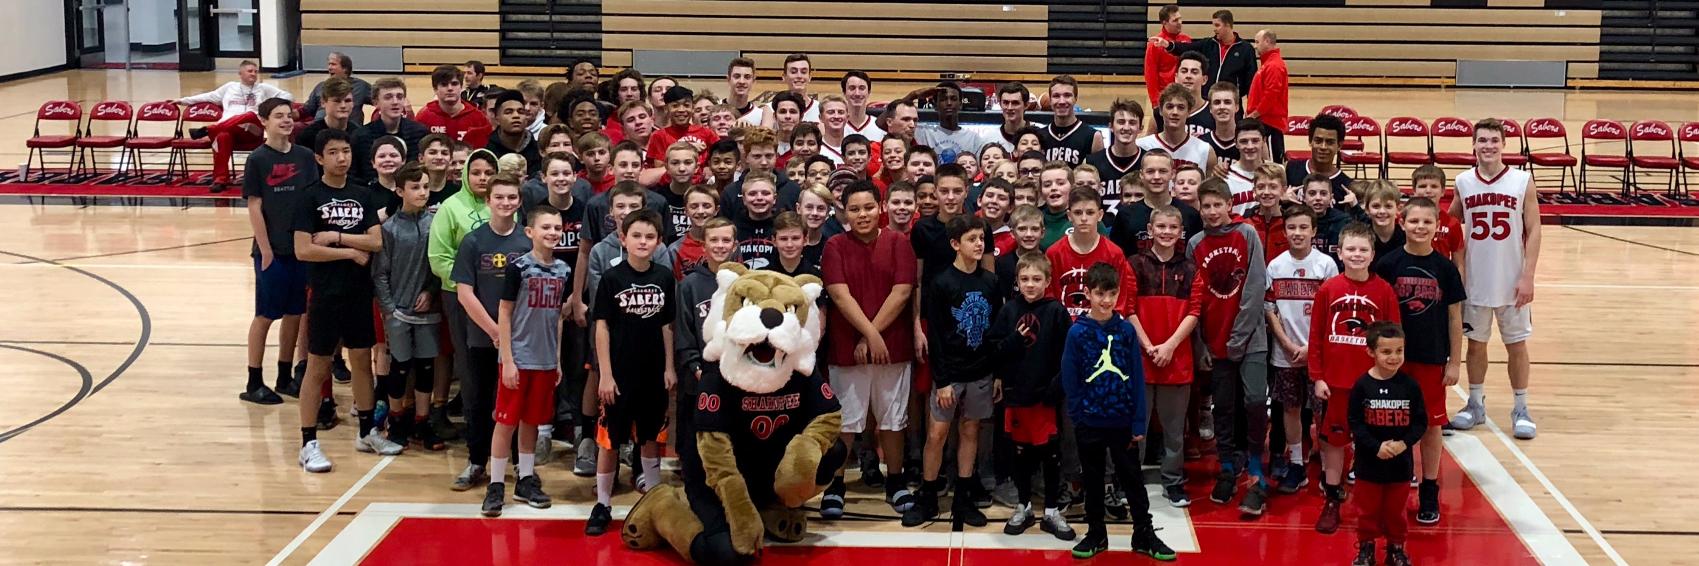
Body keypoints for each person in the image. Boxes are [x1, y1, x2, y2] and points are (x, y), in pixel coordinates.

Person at [292, 129, 397, 473]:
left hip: (357, 293)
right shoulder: (308, 197)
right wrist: (350, 252)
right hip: (324, 294)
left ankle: (367, 433)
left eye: (346, 151)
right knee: (318, 366)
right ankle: (308, 443)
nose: (342, 157)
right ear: (320, 158)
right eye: (334, 152)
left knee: (362, 362)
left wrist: (338, 238)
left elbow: (376, 242)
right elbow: (304, 249)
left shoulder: (362, 194)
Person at [1060, 263, 1176, 561]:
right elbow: (1070, 377)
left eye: (1111, 293)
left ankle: (1143, 534)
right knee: (1094, 479)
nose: (1106, 300)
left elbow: (1137, 377)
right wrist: (1078, 415)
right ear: (1087, 293)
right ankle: (1096, 533)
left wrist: (1138, 420)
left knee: (1132, 479)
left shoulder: (1125, 330)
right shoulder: (1077, 333)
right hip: (1089, 420)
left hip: (1122, 420)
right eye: (1099, 294)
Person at [820, 180, 919, 517]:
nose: (862, 215)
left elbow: (902, 292)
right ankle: (834, 485)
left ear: (881, 207)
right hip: (847, 349)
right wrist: (867, 336)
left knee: (893, 421)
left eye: (867, 207)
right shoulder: (834, 244)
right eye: (854, 209)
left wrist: (872, 336)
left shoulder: (898, 243)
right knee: (846, 423)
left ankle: (895, 480)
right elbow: (839, 295)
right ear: (844, 212)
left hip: (892, 347)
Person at [1372, 196, 1464, 525]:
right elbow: (1379, 317)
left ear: (1437, 227)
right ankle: (1397, 481)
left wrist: (1454, 362)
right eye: (1414, 221)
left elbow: (1455, 318)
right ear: (1402, 222)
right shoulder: (1387, 265)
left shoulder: (1446, 268)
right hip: (1394, 360)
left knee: (1431, 425)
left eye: (1427, 222)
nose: (1420, 227)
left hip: (1431, 358)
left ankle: (1429, 487)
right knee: (1391, 421)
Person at [902, 215, 1000, 527]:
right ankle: (928, 496)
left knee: (970, 430)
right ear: (956, 244)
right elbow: (938, 339)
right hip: (950, 374)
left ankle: (963, 498)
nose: (979, 244)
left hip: (981, 372)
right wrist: (942, 381)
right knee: (937, 433)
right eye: (972, 239)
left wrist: (997, 373)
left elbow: (995, 333)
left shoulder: (990, 283)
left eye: (982, 239)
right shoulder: (941, 283)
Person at [1448, 119, 1542, 441]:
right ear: (1473, 145)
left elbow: (1535, 230)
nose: (1488, 146)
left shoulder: (1522, 180)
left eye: (1494, 140)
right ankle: (1475, 404)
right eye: (1482, 140)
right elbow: (1448, 226)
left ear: (1504, 144)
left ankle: (1521, 407)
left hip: (1512, 279)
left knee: (1517, 344)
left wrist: (1528, 276)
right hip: (1475, 280)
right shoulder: (1463, 181)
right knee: (1476, 345)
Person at [588, 209, 677, 535]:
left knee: (651, 437)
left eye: (650, 236)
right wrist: (606, 375)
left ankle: (653, 500)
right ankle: (602, 504)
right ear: (623, 239)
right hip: (620, 374)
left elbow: (668, 325)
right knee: (609, 441)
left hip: (653, 372)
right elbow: (602, 328)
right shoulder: (612, 278)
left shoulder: (665, 277)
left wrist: (669, 366)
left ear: (658, 241)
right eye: (636, 236)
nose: (643, 241)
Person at [1309, 222, 1402, 534]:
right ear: (1339, 252)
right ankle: (1332, 499)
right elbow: (1317, 337)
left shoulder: (1384, 291)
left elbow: (1393, 339)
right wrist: (1317, 376)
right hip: (1335, 384)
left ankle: (1372, 505)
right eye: (1351, 249)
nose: (1357, 254)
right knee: (1333, 443)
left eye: (1363, 249)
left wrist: (1389, 376)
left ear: (1373, 254)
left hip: (1371, 385)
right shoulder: (1328, 289)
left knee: (1372, 445)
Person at [479, 203, 571, 517]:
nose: (553, 233)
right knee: (505, 422)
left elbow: (558, 316)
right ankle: (495, 485)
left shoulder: (563, 270)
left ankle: (527, 479)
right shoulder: (519, 268)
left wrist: (557, 359)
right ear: (530, 231)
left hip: (545, 361)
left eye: (557, 228)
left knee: (532, 421)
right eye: (546, 227)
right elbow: (504, 312)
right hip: (518, 358)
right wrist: (507, 358)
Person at [1187, 179, 1271, 516]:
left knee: (1253, 401)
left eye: (1216, 205)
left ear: (1229, 204)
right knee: (1223, 406)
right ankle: (1226, 466)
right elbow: (1195, 299)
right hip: (1213, 340)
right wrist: (1200, 343)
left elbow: (1254, 288)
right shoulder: (1195, 243)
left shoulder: (1247, 233)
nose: (1210, 212)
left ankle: (1254, 469)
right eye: (1205, 206)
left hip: (1250, 339)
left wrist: (1239, 336)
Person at [452, 173, 531, 492]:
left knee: (515, 402)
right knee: (479, 399)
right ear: (488, 201)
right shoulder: (473, 241)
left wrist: (512, 334)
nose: (505, 203)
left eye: (511, 197)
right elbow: (464, 292)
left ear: (519, 201)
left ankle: (518, 466)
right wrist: (495, 330)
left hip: (521, 341)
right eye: (499, 197)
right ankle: (476, 462)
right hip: (482, 337)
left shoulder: (527, 241)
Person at [987, 253, 1074, 538]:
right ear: (1017, 282)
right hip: (1016, 395)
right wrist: (1012, 344)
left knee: (1050, 454)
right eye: (1025, 279)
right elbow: (995, 349)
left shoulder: (1057, 312)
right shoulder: (1009, 310)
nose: (1031, 285)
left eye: (1037, 279)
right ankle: (1023, 506)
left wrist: (1058, 384)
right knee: (1020, 453)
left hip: (1045, 398)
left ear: (1048, 281)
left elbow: (1068, 355)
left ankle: (1051, 511)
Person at [1123, 205, 1204, 508]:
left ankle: (1173, 482)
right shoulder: (1134, 264)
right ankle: (1129, 481)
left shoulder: (1191, 268)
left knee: (1174, 430)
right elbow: (1128, 309)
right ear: (1150, 229)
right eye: (1162, 227)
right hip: (1141, 357)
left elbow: (1195, 312)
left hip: (1176, 359)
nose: (1167, 232)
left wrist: (1169, 346)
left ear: (1181, 232)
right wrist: (1147, 345)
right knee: (1136, 427)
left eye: (1173, 227)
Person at [429, 149, 500, 487]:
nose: (483, 178)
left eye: (489, 172)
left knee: (505, 380)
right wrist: (469, 284)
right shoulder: (450, 208)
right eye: (477, 172)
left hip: (502, 302)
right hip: (461, 299)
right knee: (473, 380)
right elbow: (439, 256)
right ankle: (476, 459)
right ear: (466, 174)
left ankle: (511, 459)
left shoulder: (505, 207)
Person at [240, 98, 318, 405]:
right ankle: (253, 381)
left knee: (295, 313)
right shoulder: (257, 159)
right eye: (278, 116)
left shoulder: (304, 157)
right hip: (272, 251)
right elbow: (254, 205)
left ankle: (284, 376)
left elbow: (313, 199)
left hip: (300, 249)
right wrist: (266, 249)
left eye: (289, 116)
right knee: (265, 315)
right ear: (264, 121)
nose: (285, 120)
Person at [1264, 205, 1337, 494]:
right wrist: (1286, 343)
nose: (1297, 233)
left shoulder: (1326, 265)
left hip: (1318, 355)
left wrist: (1311, 348)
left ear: (1314, 231)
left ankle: (1329, 468)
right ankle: (1296, 464)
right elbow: (1270, 310)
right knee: (1291, 408)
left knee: (1322, 413)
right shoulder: (1276, 266)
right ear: (1285, 230)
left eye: (1303, 227)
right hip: (1286, 353)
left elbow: (1332, 312)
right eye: (1292, 227)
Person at [372, 162, 445, 450]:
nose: (422, 192)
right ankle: (397, 417)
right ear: (400, 191)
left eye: (426, 187)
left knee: (426, 367)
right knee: (400, 367)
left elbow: (440, 265)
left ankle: (422, 421)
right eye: (415, 187)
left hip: (428, 310)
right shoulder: (388, 229)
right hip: (398, 311)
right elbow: (380, 273)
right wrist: (389, 308)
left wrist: (431, 291)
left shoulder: (435, 224)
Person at [1347, 322, 1425, 566]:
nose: (1394, 357)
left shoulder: (1410, 386)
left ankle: (1396, 548)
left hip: (1400, 465)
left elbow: (1420, 423)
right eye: (1386, 352)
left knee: (1396, 512)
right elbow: (1355, 422)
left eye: (1399, 351)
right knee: (1367, 511)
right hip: (1369, 465)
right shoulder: (1362, 386)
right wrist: (1375, 446)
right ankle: (1366, 548)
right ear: (1371, 352)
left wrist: (1404, 444)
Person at [179, 60, 293, 190]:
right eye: (250, 71)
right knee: (222, 136)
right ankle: (220, 180)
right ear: (240, 73)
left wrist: (272, 105)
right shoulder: (229, 87)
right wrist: (182, 101)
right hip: (231, 131)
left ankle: (209, 129)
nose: (254, 74)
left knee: (250, 114)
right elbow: (208, 96)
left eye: (256, 71)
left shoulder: (263, 88)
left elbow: (287, 95)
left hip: (252, 130)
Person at [1150, 9, 1257, 101]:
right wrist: (1167, 44)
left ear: (1228, 25)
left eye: (1217, 25)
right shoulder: (1208, 44)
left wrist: (1250, 105)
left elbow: (1251, 81)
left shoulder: (1246, 49)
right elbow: (1186, 48)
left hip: (1231, 101)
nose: (1214, 29)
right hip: (1207, 99)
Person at [1110, 150, 1203, 253]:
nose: (1156, 177)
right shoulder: (1125, 215)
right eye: (1150, 171)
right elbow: (1117, 259)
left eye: (1163, 171)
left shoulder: (1191, 215)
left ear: (1172, 174)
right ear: (1141, 175)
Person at [353, 78, 429, 185]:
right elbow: (357, 174)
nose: (395, 102)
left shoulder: (420, 132)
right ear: (375, 103)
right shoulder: (361, 136)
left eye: (399, 97)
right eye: (388, 97)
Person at [1084, 99, 1145, 211]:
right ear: (1111, 126)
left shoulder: (1147, 163)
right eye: (1121, 122)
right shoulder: (1092, 162)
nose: (1126, 128)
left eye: (1132, 123)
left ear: (1141, 128)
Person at [1139, 84, 1216, 172]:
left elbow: (1209, 185)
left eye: (1181, 107)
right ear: (1160, 110)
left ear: (1189, 112)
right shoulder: (1142, 146)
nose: (1175, 112)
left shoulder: (1205, 150)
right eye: (1170, 107)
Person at [1285, 114, 1355, 209]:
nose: (1323, 147)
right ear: (1310, 141)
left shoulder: (1346, 185)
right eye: (1318, 141)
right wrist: (1281, 201)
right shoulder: (1291, 169)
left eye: (1330, 142)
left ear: (1339, 145)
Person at [418, 64, 494, 148]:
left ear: (461, 87)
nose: (450, 88)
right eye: (444, 84)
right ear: (435, 89)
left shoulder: (478, 118)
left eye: (454, 84)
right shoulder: (423, 117)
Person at [914, 82, 986, 167]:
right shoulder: (924, 132)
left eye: (953, 99)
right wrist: (914, 95)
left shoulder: (973, 138)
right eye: (943, 99)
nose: (949, 103)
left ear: (960, 104)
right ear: (935, 105)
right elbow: (896, 115)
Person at [1040, 76, 1104, 167]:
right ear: (1050, 100)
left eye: (1067, 95)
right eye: (1056, 96)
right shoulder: (1040, 136)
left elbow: (1097, 176)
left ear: (1075, 98)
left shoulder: (1093, 137)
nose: (1061, 101)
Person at [648, 85, 718, 168]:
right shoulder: (659, 136)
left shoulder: (708, 133)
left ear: (692, 108)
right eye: (675, 106)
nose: (681, 110)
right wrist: (689, 147)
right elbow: (659, 168)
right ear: (666, 109)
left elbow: (720, 158)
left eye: (686, 105)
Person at [1247, 30, 1289, 160]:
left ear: (1267, 41)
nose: (1255, 46)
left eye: (1257, 42)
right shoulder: (1268, 64)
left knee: (1271, 165)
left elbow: (1271, 94)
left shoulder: (1274, 66)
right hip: (1265, 121)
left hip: (1269, 123)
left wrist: (1255, 114)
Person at [1410, 165, 1465, 261]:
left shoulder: (1452, 223)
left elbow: (1459, 263)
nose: (1428, 191)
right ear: (1414, 190)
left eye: (1434, 186)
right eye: (1423, 186)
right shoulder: (1404, 220)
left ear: (1443, 191)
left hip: (1441, 275)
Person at [303, 52, 372, 127]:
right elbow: (307, 110)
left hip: (350, 132)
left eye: (333, 64)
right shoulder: (321, 86)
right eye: (329, 64)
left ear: (345, 69)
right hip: (320, 130)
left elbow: (379, 99)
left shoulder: (361, 86)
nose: (329, 68)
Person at [485, 91, 543, 176]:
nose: (516, 115)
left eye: (521, 112)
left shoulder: (538, 151)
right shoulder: (488, 152)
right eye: (508, 112)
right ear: (497, 119)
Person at [1145, 5, 1192, 108]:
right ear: (1164, 23)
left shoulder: (1187, 40)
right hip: (1165, 95)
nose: (1179, 22)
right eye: (1175, 20)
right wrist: (1155, 101)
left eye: (1180, 18)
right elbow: (1150, 74)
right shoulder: (1155, 44)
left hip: (1185, 94)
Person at [294, 77, 357, 149]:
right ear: (323, 102)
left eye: (348, 101)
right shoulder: (307, 137)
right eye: (337, 101)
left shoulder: (358, 134)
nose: (343, 106)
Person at [1244, 163, 1290, 260]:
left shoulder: (1290, 224)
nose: (1266, 192)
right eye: (1261, 187)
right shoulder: (1245, 224)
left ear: (1283, 190)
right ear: (1254, 191)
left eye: (1273, 187)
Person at [1303, 173, 1353, 258]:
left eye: (1323, 193)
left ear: (1331, 197)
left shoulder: (1344, 221)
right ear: (1304, 197)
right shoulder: (1297, 220)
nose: (1318, 198)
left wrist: (1355, 206)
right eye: (1312, 193)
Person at [1202, 82, 1244, 174]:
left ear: (1237, 107)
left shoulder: (1249, 141)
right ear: (1210, 108)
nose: (1222, 107)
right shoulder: (1202, 143)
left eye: (1227, 102)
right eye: (1217, 103)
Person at [1362, 181, 1406, 259]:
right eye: (1376, 206)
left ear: (1398, 209)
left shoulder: (1406, 238)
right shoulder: (1360, 238)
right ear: (1367, 209)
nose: (1382, 211)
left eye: (1388, 206)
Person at [841, 70, 885, 141]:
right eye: (852, 88)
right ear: (844, 93)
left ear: (869, 92)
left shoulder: (880, 127)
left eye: (862, 88)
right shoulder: (836, 125)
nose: (857, 93)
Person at [724, 57, 764, 126]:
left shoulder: (760, 116)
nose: (742, 81)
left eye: (747, 77)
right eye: (737, 76)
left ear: (753, 81)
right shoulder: (714, 108)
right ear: (728, 79)